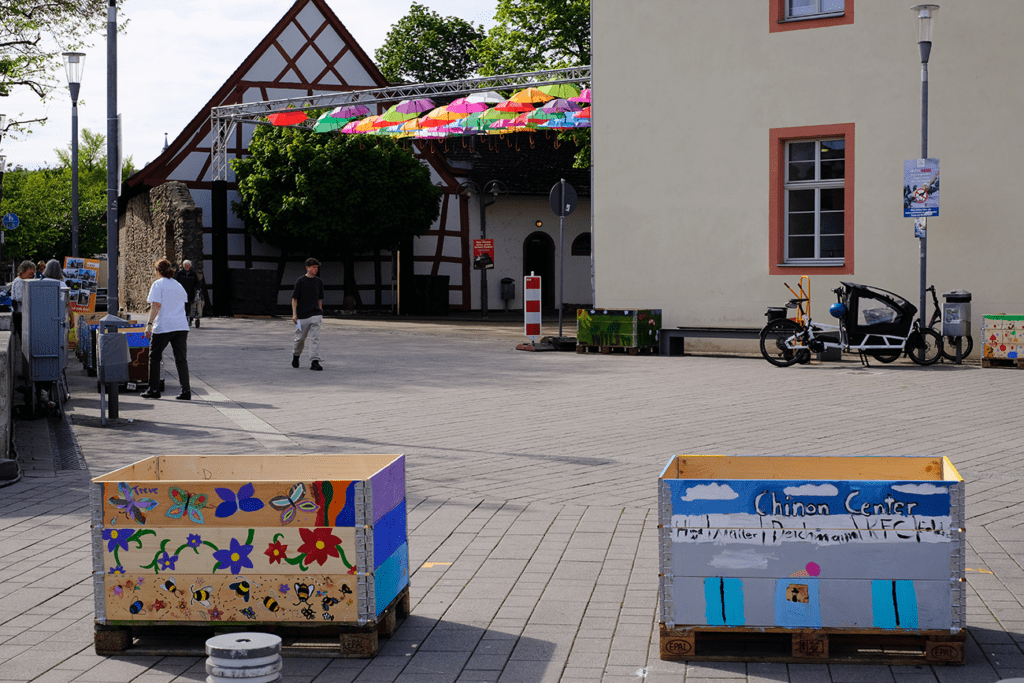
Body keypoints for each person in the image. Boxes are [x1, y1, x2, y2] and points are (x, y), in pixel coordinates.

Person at [141, 258, 192, 400]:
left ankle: (154, 389)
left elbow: (156, 305)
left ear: (158, 271)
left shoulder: (158, 285)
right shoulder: (178, 285)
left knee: (154, 357)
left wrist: (149, 324)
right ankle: (186, 391)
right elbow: (183, 304)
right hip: (181, 326)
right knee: (181, 359)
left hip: (164, 326)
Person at [291, 257, 324, 371]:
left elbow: (320, 299)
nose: (316, 269)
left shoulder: (319, 282)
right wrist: (294, 314)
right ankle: (296, 355)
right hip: (301, 316)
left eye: (317, 268)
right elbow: (294, 299)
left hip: (316, 315)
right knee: (299, 339)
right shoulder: (300, 281)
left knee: (315, 338)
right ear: (307, 268)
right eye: (314, 267)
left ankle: (315, 361)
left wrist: (320, 312)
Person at [10, 260, 36, 334]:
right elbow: (20, 298)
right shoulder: (19, 281)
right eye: (30, 269)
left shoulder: (25, 281)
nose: (32, 272)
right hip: (21, 315)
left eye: (33, 270)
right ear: (23, 270)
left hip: (24, 314)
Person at [174, 260, 200, 326]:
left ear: (190, 266)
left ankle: (190, 319)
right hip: (181, 293)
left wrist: (198, 289)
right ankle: (184, 319)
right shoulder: (180, 273)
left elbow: (197, 282)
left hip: (190, 292)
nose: (187, 266)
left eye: (188, 265)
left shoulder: (193, 273)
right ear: (183, 266)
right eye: (185, 265)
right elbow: (176, 282)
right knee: (183, 306)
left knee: (190, 306)